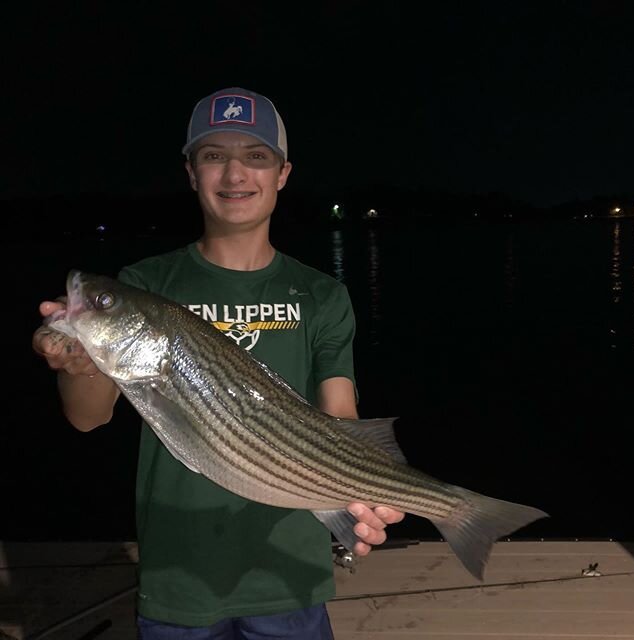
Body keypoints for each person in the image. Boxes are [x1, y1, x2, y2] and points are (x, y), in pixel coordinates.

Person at [32, 87, 404, 639]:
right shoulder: (147, 283)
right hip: (179, 572)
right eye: (214, 156)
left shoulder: (320, 294)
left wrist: (364, 493)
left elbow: (340, 411)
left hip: (287, 565)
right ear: (191, 172)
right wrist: (79, 364)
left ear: (282, 173)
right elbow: (89, 418)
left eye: (256, 156)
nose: (235, 174)